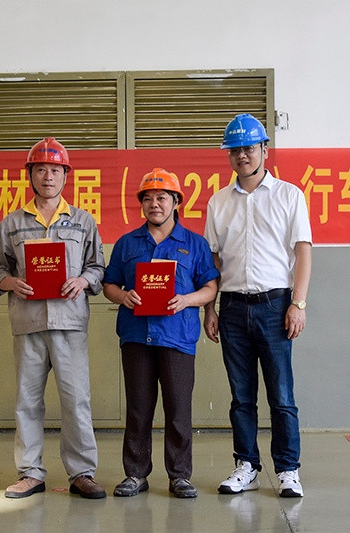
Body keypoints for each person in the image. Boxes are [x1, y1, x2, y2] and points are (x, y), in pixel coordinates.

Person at [0, 137, 107, 499]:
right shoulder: (12, 224)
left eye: (55, 170)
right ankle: (30, 473)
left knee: (76, 401)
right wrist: (11, 282)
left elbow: (98, 267)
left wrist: (82, 280)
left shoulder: (83, 222)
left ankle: (82, 473)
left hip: (70, 323)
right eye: (41, 169)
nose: (48, 176)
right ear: (30, 175)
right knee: (27, 401)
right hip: (29, 323)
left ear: (66, 175)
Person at [203, 114, 312, 498]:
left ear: (265, 149)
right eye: (235, 150)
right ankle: (246, 465)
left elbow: (303, 251)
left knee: (281, 396)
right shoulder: (218, 202)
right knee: (241, 396)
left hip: (275, 306)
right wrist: (210, 309)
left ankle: (288, 469)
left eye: (249, 148)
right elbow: (213, 261)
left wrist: (298, 303)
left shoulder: (289, 195)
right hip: (232, 308)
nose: (242, 156)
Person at [103, 168, 219, 499]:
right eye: (148, 198)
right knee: (138, 409)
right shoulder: (127, 243)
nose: (155, 204)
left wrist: (187, 300)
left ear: (176, 202)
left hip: (177, 337)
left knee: (178, 409)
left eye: (162, 197)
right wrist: (122, 296)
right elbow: (109, 284)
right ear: (141, 204)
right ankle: (135, 474)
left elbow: (210, 286)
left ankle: (179, 476)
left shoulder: (194, 244)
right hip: (136, 336)